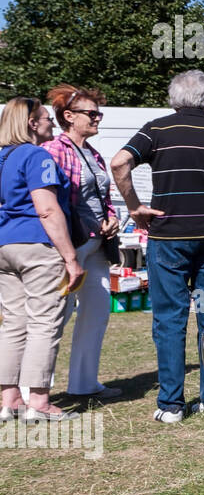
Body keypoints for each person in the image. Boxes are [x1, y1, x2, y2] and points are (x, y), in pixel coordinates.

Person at [110, 71, 204, 421]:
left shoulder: (155, 130)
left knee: (170, 319)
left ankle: (171, 405)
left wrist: (134, 206)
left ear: (174, 99)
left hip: (169, 241)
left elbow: (119, 162)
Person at [0, 97, 85, 422]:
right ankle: (38, 401)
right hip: (36, 245)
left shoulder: (2, 158)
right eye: (46, 118)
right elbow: (46, 208)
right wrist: (70, 258)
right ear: (32, 123)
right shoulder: (36, 155)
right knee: (43, 323)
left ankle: (9, 401)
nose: (51, 122)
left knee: (13, 323)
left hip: (4, 245)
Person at [42, 84, 122, 401]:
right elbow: (49, 199)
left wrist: (113, 218)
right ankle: (32, 390)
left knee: (97, 313)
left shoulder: (94, 154)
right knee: (55, 316)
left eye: (98, 113)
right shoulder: (54, 149)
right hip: (70, 245)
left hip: (97, 245)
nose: (98, 118)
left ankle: (84, 384)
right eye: (92, 113)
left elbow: (105, 198)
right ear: (69, 117)